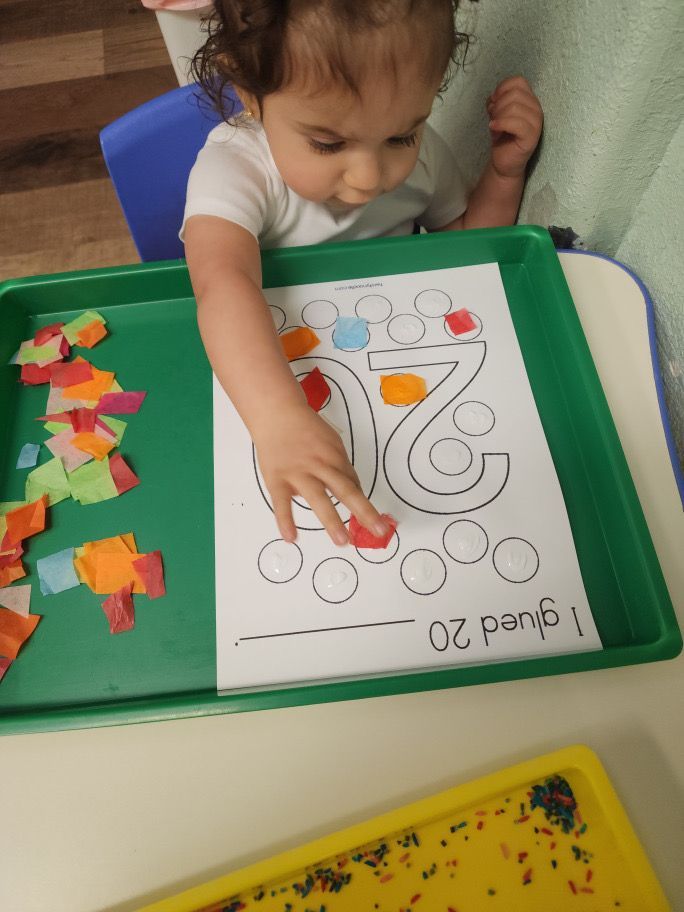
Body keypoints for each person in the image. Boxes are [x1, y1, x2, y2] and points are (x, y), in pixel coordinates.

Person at [182, 0, 543, 547]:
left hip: (392, 360)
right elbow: (221, 283)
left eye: (402, 136)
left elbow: (464, 249)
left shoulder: (424, 161)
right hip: (263, 371)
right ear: (250, 95)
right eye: (328, 144)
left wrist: (503, 173)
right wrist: (276, 415)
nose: (372, 176)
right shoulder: (234, 168)